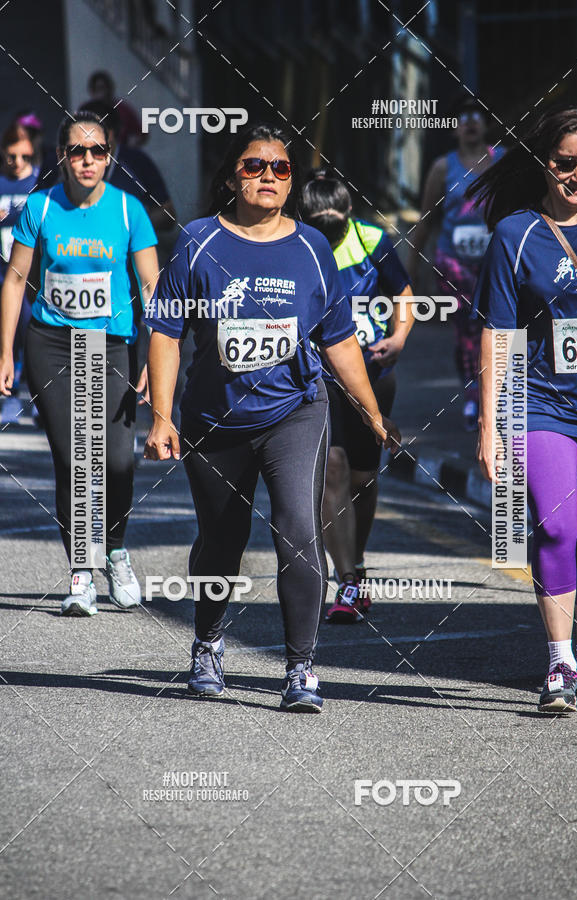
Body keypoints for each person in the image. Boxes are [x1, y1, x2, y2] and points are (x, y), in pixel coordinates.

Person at [143, 123, 401, 712]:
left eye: (281, 169)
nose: (268, 177)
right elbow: (165, 332)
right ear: (233, 175)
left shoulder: (312, 247)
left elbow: (338, 341)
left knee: (298, 529)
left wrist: (371, 413)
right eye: (255, 167)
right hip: (215, 420)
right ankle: (207, 643)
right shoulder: (199, 242)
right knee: (221, 542)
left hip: (295, 412)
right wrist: (162, 417)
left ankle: (300, 667)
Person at [0, 110, 159, 616]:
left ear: (109, 158)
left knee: (116, 461)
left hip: (109, 343)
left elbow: (153, 289)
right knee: (74, 460)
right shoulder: (41, 208)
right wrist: (5, 352)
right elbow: (14, 280)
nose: (86, 160)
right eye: (77, 150)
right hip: (50, 344)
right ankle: (82, 572)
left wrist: (156, 359)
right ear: (61, 157)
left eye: (96, 151)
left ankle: (114, 550)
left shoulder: (130, 211)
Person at [470, 104, 577, 713]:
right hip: (541, 402)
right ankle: (559, 663)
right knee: (555, 526)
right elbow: (497, 336)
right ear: (544, 163)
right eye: (565, 162)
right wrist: (488, 425)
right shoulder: (515, 235)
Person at [298, 168, 414, 623]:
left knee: (364, 478)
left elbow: (403, 294)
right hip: (319, 379)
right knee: (334, 470)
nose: (328, 231)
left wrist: (400, 338)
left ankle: (357, 563)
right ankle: (345, 581)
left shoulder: (371, 240)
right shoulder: (296, 242)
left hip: (372, 376)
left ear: (349, 213)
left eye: (336, 224)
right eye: (319, 223)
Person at [407, 98, 504, 431]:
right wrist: (413, 267)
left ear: (486, 124)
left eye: (478, 115)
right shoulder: (442, 167)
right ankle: (472, 394)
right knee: (468, 330)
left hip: (495, 261)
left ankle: (499, 393)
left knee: (499, 326)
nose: (471, 122)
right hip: (454, 265)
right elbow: (426, 219)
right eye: (464, 117)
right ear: (454, 127)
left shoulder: (502, 161)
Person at [79, 100, 175, 231]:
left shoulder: (137, 162)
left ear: (113, 131)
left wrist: (130, 228)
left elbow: (168, 214)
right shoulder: (73, 164)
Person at [0, 123, 40, 423]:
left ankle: (39, 395)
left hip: (32, 275)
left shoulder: (40, 184)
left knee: (32, 332)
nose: (17, 163)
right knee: (6, 334)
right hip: (3, 272)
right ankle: (9, 394)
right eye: (11, 156)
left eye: (23, 156)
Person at [84, 71, 146, 147]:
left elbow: (142, 133)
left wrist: (133, 144)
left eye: (103, 88)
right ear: (92, 91)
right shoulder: (85, 110)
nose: (101, 93)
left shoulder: (123, 110)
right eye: (97, 89)